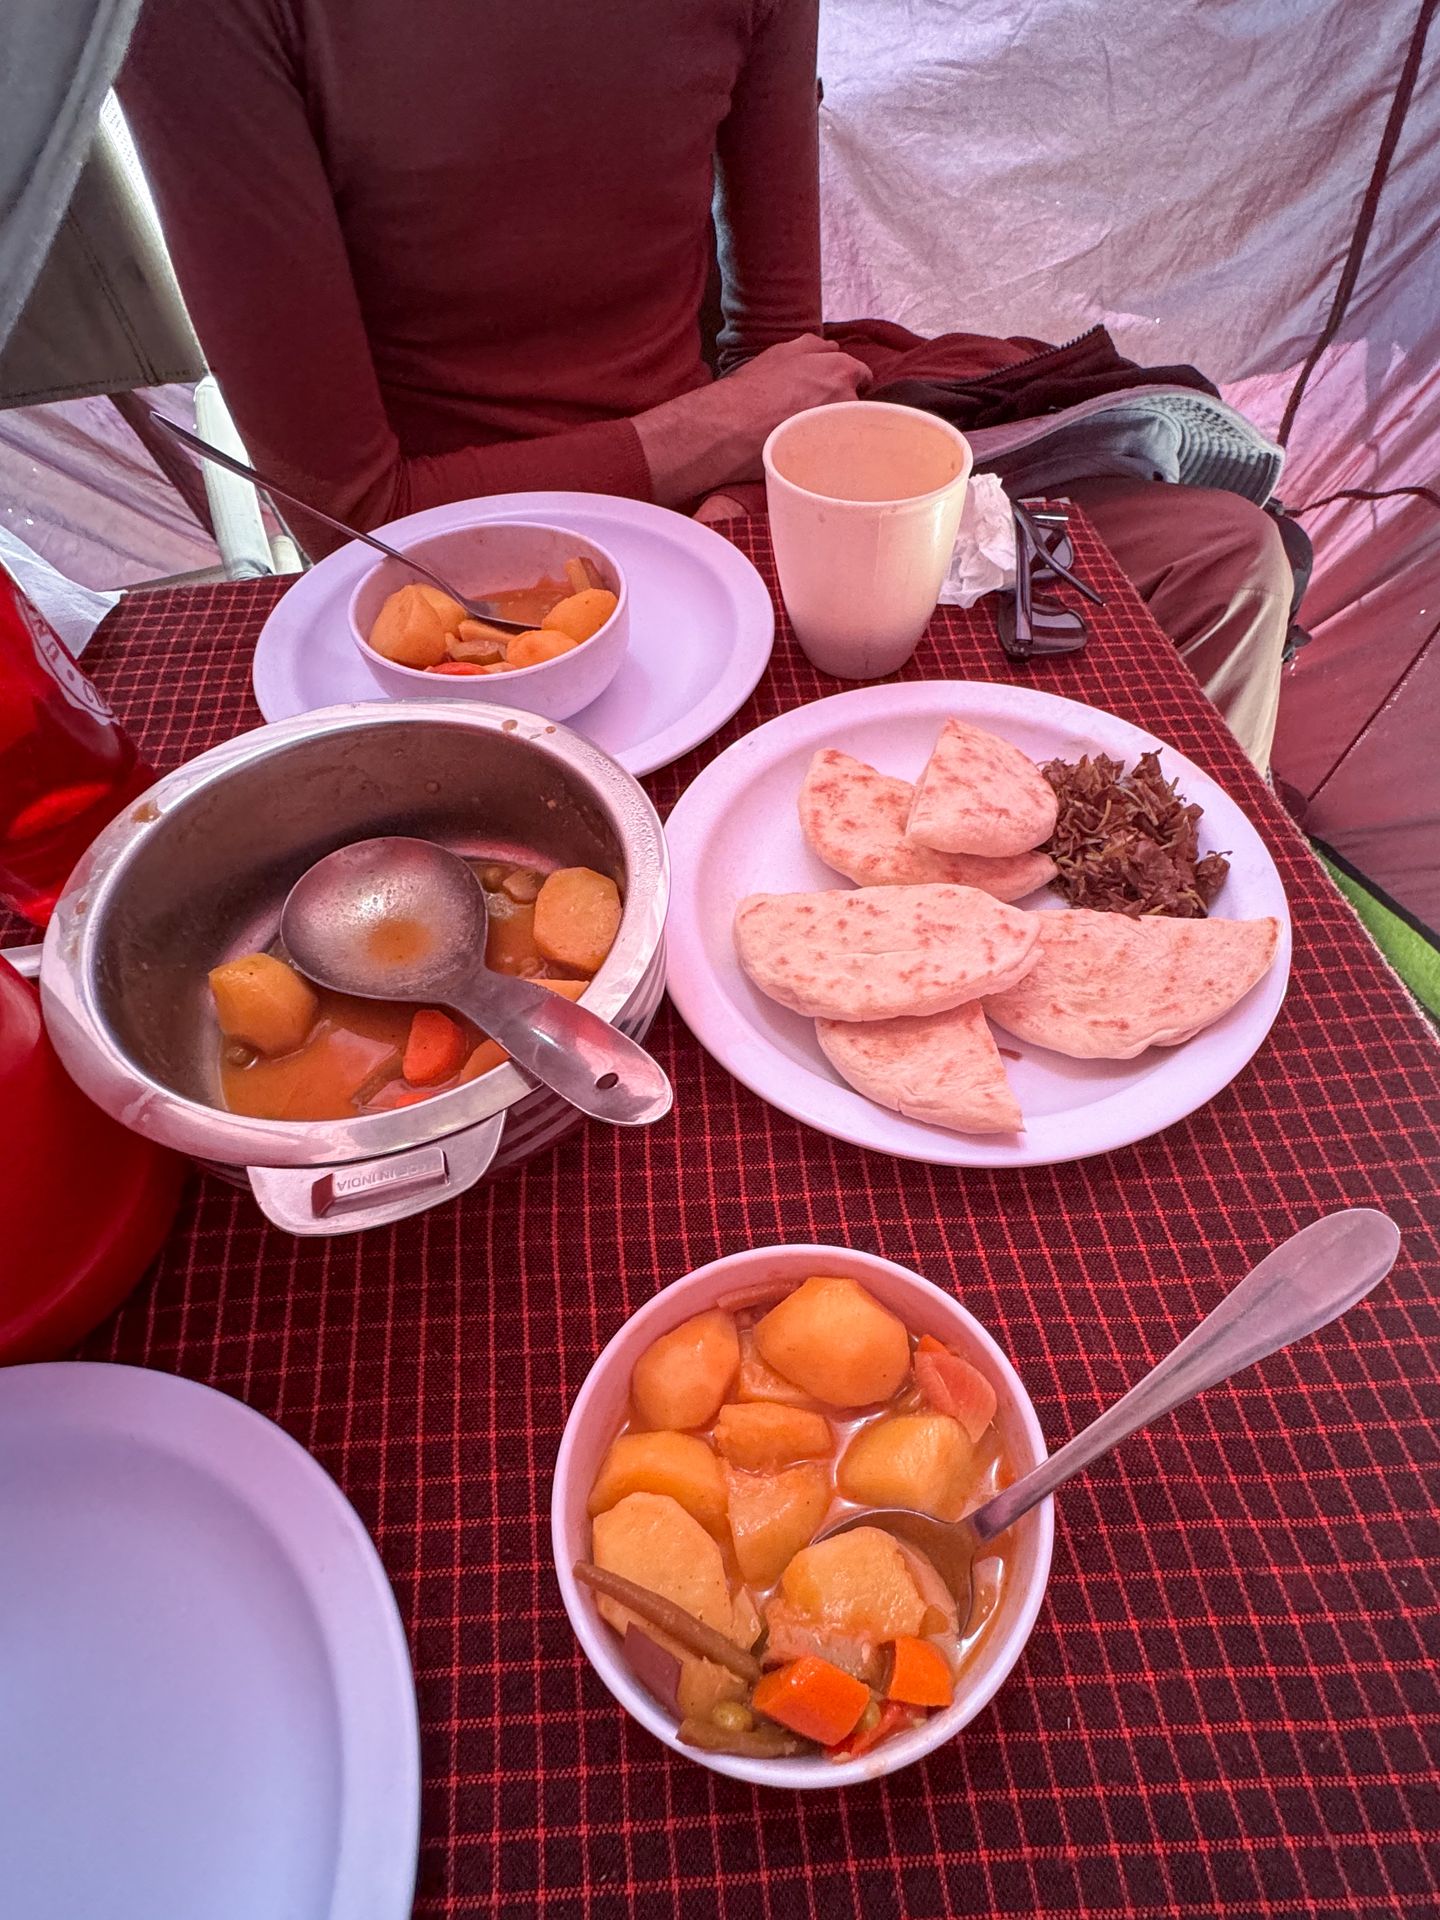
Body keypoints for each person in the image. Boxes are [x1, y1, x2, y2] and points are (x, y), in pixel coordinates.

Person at [117, 0, 1288, 768]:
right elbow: (352, 515)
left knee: (1225, 558)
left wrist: (745, 485)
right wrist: (704, 438)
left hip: (727, 495)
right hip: (468, 566)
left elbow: (774, 343)